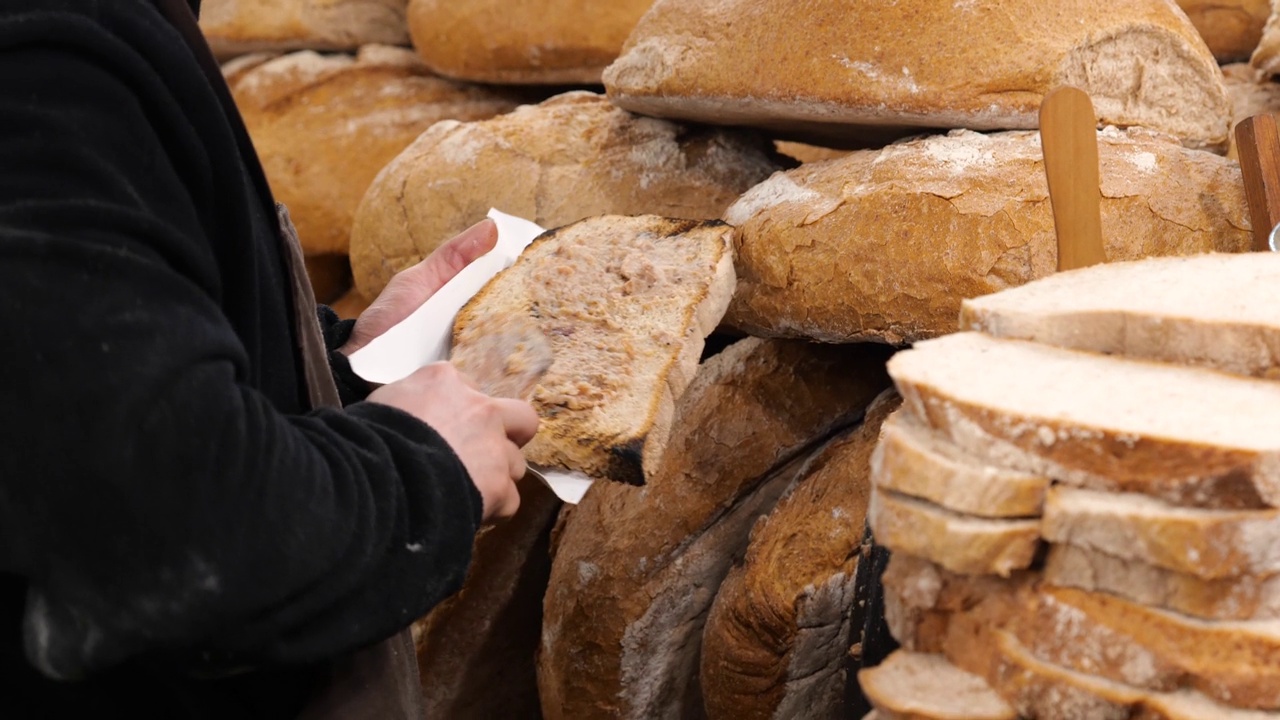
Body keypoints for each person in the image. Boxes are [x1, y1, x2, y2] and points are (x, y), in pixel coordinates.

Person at [0, 0, 539, 717]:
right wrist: (420, 469)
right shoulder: (54, 52)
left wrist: (340, 373)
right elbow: (174, 525)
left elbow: (69, 410)